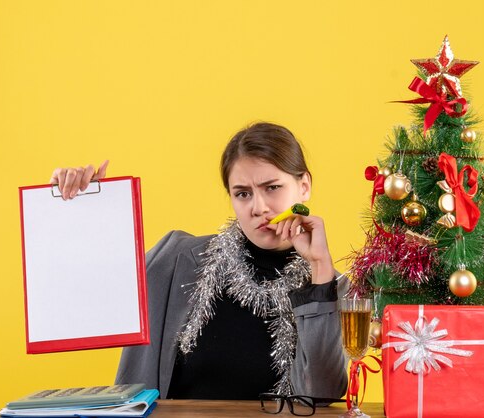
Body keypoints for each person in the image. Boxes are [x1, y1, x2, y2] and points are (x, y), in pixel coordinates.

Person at [49, 122, 348, 400]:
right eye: (242, 194)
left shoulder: (334, 289)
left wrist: (320, 269)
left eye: (272, 188)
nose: (259, 207)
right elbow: (90, 291)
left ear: (304, 186)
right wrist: (82, 208)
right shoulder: (177, 258)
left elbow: (321, 395)